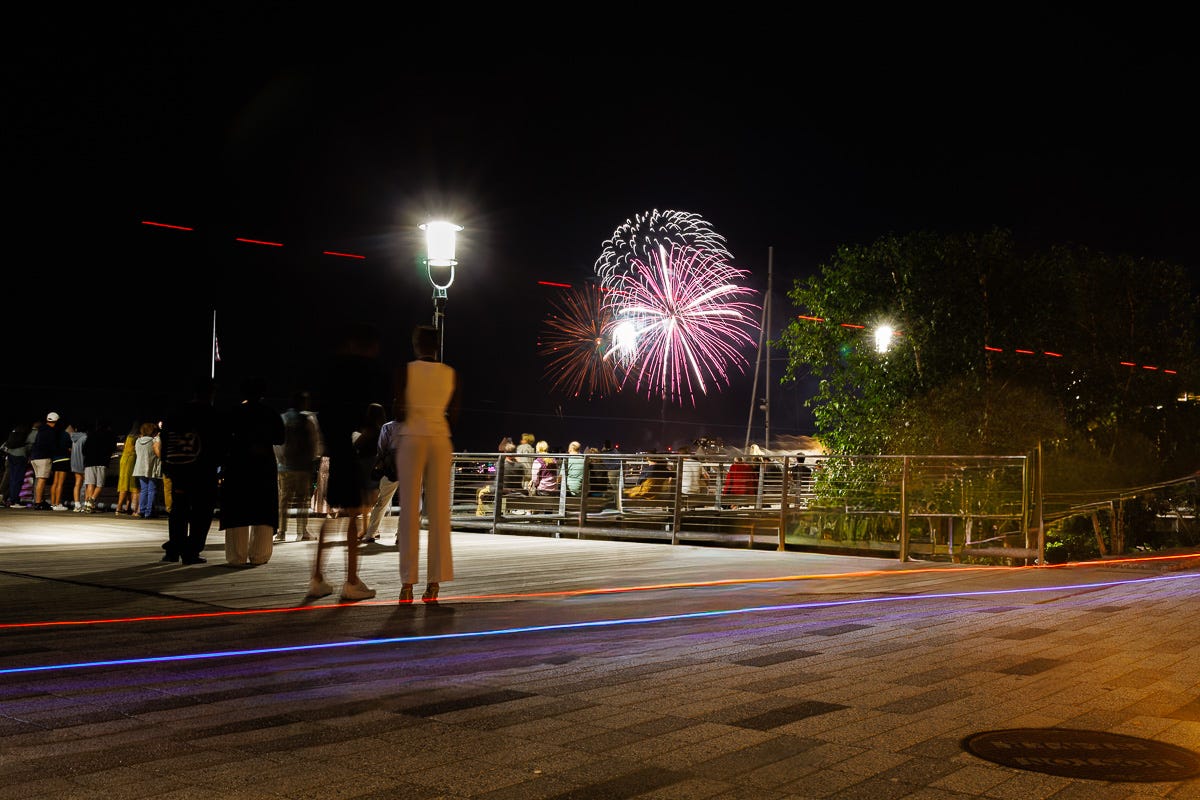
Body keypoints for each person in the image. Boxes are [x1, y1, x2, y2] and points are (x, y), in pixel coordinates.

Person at [309, 322, 389, 601]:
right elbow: (361, 416)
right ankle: (352, 581)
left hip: (333, 448)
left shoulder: (328, 373)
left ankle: (318, 577)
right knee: (354, 517)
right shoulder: (355, 372)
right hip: (346, 451)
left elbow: (324, 413)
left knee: (332, 518)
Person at [395, 324, 460, 604]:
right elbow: (454, 413)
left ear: (415, 344)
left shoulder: (405, 370)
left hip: (412, 436)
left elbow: (397, 408)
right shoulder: (450, 373)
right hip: (440, 437)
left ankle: (407, 583)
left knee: (410, 510)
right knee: (438, 511)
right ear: (437, 345)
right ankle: (434, 584)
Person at [220, 377, 284, 566]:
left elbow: (224, 438)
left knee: (238, 510)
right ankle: (259, 554)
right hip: (263, 464)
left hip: (238, 464)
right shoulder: (270, 413)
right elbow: (280, 438)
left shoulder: (235, 412)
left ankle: (236, 555)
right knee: (263, 510)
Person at [161, 377, 226, 565]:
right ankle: (191, 551)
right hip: (203, 471)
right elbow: (220, 446)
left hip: (179, 469)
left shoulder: (176, 413)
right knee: (201, 512)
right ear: (211, 394)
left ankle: (173, 549)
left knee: (178, 510)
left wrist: (167, 465)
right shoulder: (212, 415)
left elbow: (166, 440)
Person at [274, 390, 320, 543]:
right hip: (302, 466)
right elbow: (314, 442)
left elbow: (277, 443)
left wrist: (281, 460)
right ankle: (302, 531)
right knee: (302, 500)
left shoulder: (283, 419)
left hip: (285, 466)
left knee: (284, 500)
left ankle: (281, 531)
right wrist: (311, 459)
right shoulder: (307, 420)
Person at [352, 402, 387, 543]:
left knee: (365, 498)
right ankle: (374, 529)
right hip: (377, 463)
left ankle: (366, 529)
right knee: (375, 498)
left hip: (366, 463)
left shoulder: (370, 428)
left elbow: (357, 444)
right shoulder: (383, 429)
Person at [363, 414, 400, 543]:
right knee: (408, 504)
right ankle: (401, 535)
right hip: (410, 467)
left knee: (382, 502)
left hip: (391, 469)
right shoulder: (414, 427)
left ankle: (371, 533)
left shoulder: (388, 427)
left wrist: (379, 464)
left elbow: (381, 449)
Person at [29, 411, 67, 510]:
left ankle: (39, 500)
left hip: (34, 457)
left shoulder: (41, 430)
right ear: (56, 421)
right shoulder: (50, 431)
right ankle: (38, 503)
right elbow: (52, 446)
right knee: (42, 479)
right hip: (43, 457)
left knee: (38, 479)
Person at [81, 418, 114, 513]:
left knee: (90, 484)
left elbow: (84, 450)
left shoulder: (91, 435)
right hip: (101, 463)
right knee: (100, 485)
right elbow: (111, 449)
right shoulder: (108, 435)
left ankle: (88, 506)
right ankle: (91, 502)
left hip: (89, 462)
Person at [2, 419, 35, 507]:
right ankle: (15, 501)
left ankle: (11, 499)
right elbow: (30, 445)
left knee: (12, 478)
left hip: (10, 455)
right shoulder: (29, 431)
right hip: (20, 456)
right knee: (18, 479)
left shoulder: (16, 429)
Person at [131, 421, 160, 518]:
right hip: (151, 468)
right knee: (151, 490)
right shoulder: (154, 441)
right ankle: (149, 512)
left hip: (139, 468)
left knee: (143, 490)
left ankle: (142, 510)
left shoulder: (138, 441)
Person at [114, 420, 140, 516]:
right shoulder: (137, 437)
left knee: (125, 483)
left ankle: (125, 507)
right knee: (131, 485)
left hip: (124, 460)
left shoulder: (128, 436)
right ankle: (120, 507)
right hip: (131, 460)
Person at [67, 421, 87, 510]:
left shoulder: (73, 437)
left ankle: (77, 504)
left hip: (74, 463)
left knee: (77, 483)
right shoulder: (85, 437)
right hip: (83, 462)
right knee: (86, 483)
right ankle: (83, 504)